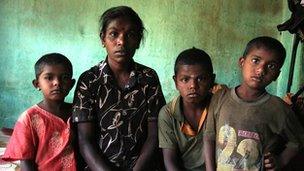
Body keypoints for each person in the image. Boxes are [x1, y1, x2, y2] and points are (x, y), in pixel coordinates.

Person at [72, 6, 166, 171]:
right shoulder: (89, 80)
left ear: (138, 40)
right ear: (103, 39)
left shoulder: (148, 78)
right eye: (113, 34)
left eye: (130, 35)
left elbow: (154, 135)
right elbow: (84, 140)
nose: (121, 41)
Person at [203, 36, 304, 171]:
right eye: (256, 60)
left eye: (271, 66)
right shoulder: (220, 98)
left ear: (277, 75)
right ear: (242, 62)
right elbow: (209, 136)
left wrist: (280, 161)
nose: (261, 70)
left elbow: (298, 140)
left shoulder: (278, 108)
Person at [1, 53, 76, 170]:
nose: (57, 82)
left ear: (71, 84)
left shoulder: (79, 112)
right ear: (37, 84)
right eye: (49, 77)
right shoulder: (29, 118)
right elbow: (26, 163)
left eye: (64, 77)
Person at [158, 47, 225, 171]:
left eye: (201, 79)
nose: (193, 86)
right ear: (176, 82)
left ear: (211, 80)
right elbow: (170, 161)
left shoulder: (220, 107)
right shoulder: (168, 114)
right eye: (185, 79)